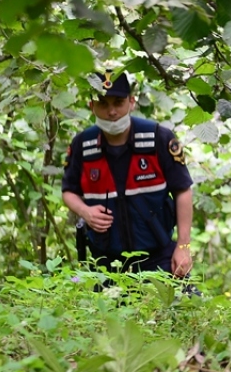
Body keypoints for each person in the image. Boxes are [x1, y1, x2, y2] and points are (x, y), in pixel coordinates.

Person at [62, 71, 195, 277]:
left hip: (158, 255)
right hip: (105, 261)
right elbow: (68, 191)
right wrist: (85, 212)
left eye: (118, 102)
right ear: (92, 107)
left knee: (185, 305)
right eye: (103, 104)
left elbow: (183, 191)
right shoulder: (82, 145)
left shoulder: (158, 138)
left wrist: (184, 247)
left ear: (131, 103)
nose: (112, 111)